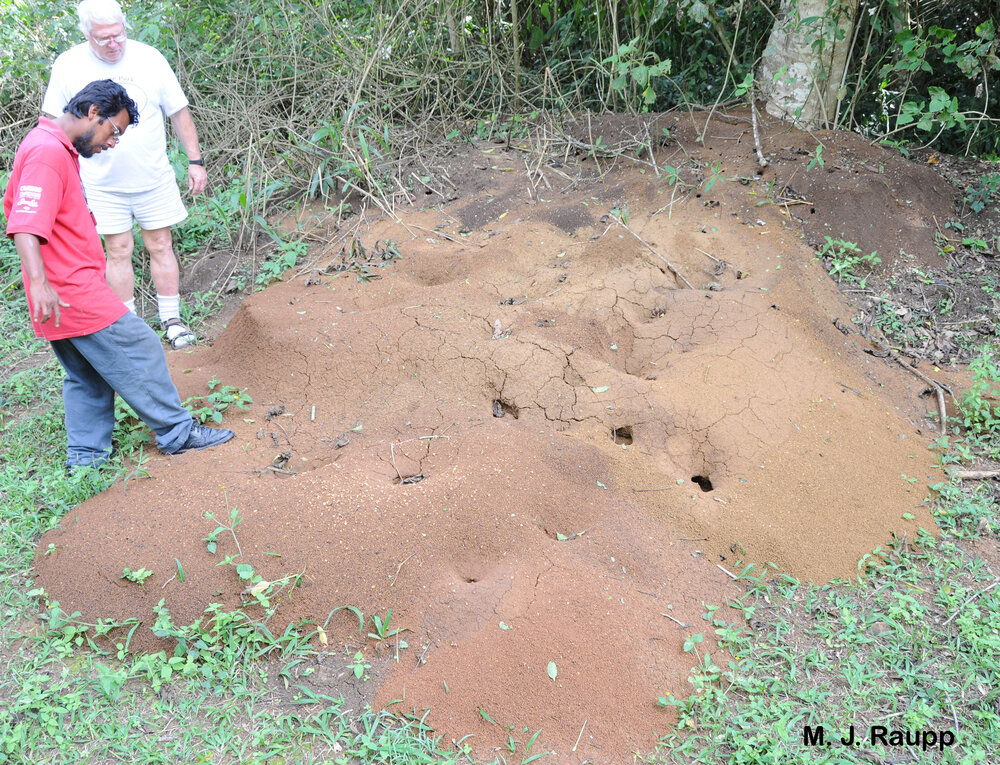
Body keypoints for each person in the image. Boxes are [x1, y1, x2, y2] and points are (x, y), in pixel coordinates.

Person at [4, 79, 234, 469]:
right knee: (140, 345)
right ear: (93, 112)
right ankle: (177, 432)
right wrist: (40, 283)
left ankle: (86, 459)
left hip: (64, 287)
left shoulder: (50, 146)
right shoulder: (46, 153)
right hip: (68, 287)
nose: (112, 143)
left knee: (86, 373)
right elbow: (25, 224)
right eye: (114, 131)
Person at [42, 0, 206, 349]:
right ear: (86, 34)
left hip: (152, 174)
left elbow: (178, 111)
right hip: (100, 181)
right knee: (118, 250)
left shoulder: (149, 58)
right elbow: (54, 126)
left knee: (161, 243)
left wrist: (196, 160)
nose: (114, 43)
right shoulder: (68, 65)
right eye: (104, 39)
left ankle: (172, 319)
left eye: (119, 34)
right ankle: (128, 325)